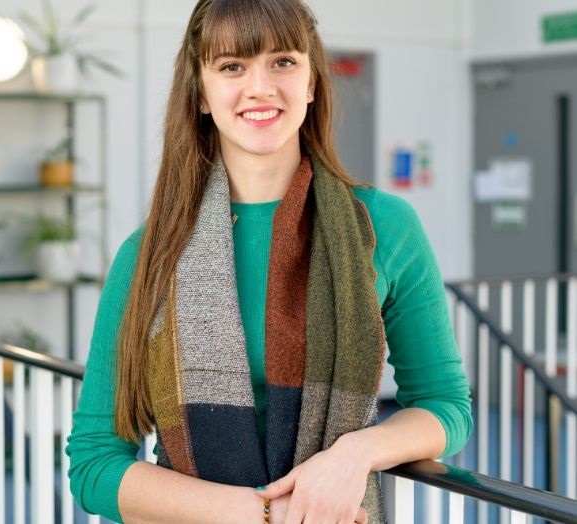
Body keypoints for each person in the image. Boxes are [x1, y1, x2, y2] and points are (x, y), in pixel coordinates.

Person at [66, 0, 473, 522]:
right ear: (201, 93)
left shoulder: (385, 227)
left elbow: (446, 405)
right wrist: (262, 514)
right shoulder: (149, 254)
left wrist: (355, 453)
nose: (260, 87)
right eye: (232, 66)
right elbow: (94, 463)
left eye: (283, 61)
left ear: (311, 82)